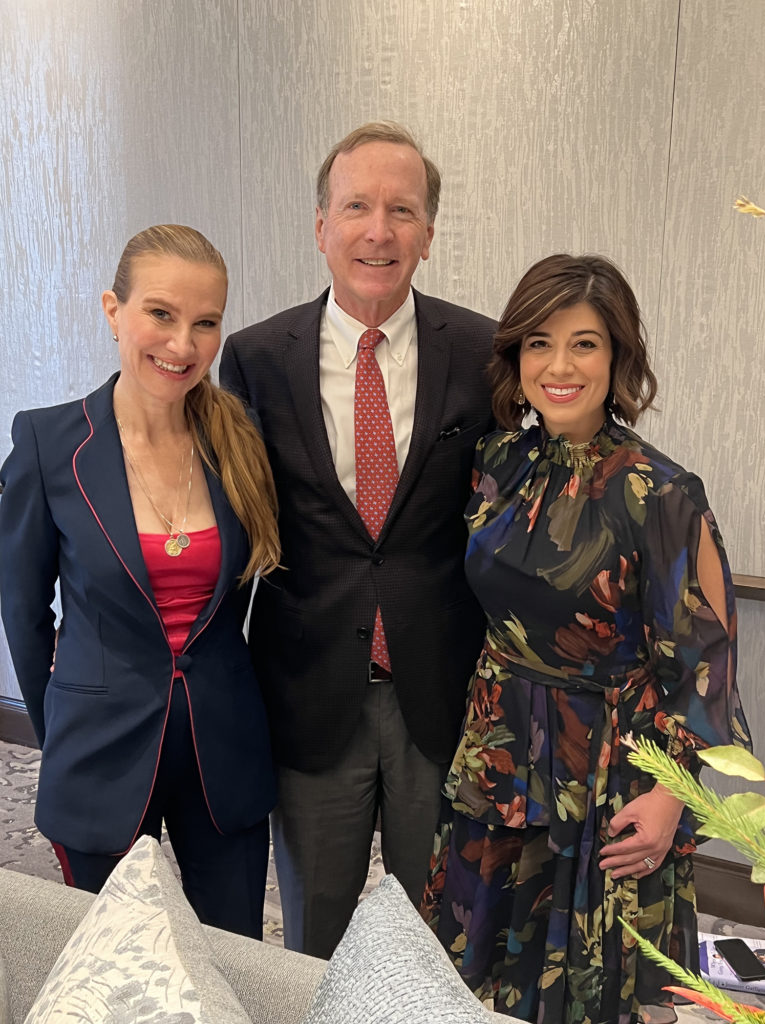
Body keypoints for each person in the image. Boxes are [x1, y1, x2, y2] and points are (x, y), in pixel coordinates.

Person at [421, 254, 752, 1023]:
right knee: (483, 982)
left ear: (618, 357)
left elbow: (706, 664)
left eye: (584, 344)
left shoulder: (660, 492)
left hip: (610, 776)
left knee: (594, 991)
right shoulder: (496, 462)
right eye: (539, 343)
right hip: (498, 758)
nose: (560, 366)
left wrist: (672, 798)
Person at [219, 121, 497, 958]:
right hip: (310, 694)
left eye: (402, 210)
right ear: (321, 227)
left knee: (437, 941)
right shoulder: (256, 358)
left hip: (438, 696)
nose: (379, 230)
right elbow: (235, 524)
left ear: (428, 234)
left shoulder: (483, 353)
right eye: (357, 208)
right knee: (315, 937)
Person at [0, 224, 280, 939]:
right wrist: (61, 725)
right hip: (98, 752)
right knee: (112, 965)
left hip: (224, 748)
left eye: (206, 323)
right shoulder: (49, 444)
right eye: (161, 313)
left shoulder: (241, 439)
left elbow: (247, 596)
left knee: (235, 957)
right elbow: (24, 612)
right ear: (113, 311)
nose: (182, 345)